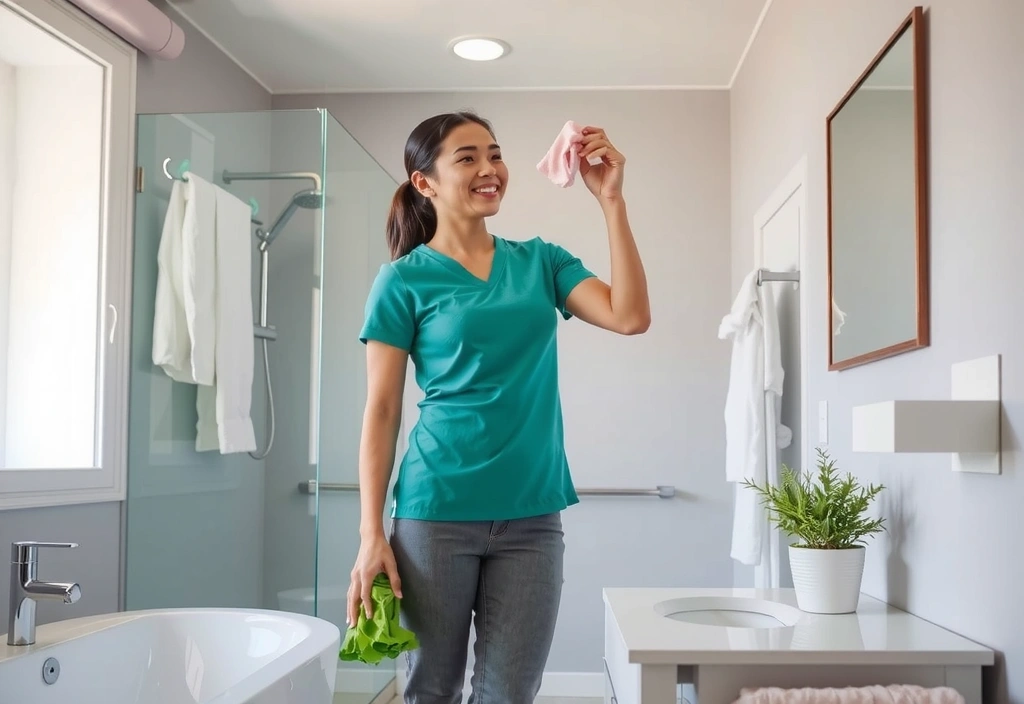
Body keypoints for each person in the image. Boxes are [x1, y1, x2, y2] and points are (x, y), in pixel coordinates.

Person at [348, 111, 650, 704]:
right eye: (467, 158)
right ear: (424, 183)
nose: (490, 169)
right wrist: (369, 534)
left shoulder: (542, 261)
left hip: (533, 518)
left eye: (494, 153)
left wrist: (611, 201)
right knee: (430, 689)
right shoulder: (402, 281)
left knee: (510, 693)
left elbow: (630, 317)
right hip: (435, 514)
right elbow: (381, 411)